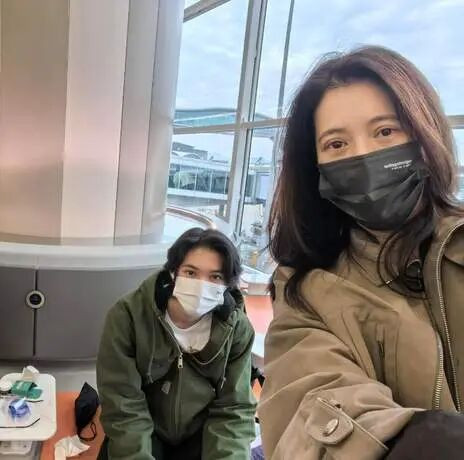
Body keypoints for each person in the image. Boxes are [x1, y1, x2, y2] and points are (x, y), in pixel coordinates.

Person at [257, 45, 464, 459]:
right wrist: (415, 441)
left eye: (385, 132)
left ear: (424, 134)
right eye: (336, 144)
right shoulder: (307, 289)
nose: (363, 155)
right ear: (315, 167)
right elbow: (309, 398)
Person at [97, 228, 256, 459]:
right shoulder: (128, 316)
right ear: (173, 272)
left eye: (215, 277)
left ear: (227, 285)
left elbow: (234, 409)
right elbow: (123, 405)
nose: (201, 286)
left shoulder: (236, 329)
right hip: (144, 428)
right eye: (191, 273)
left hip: (202, 433)